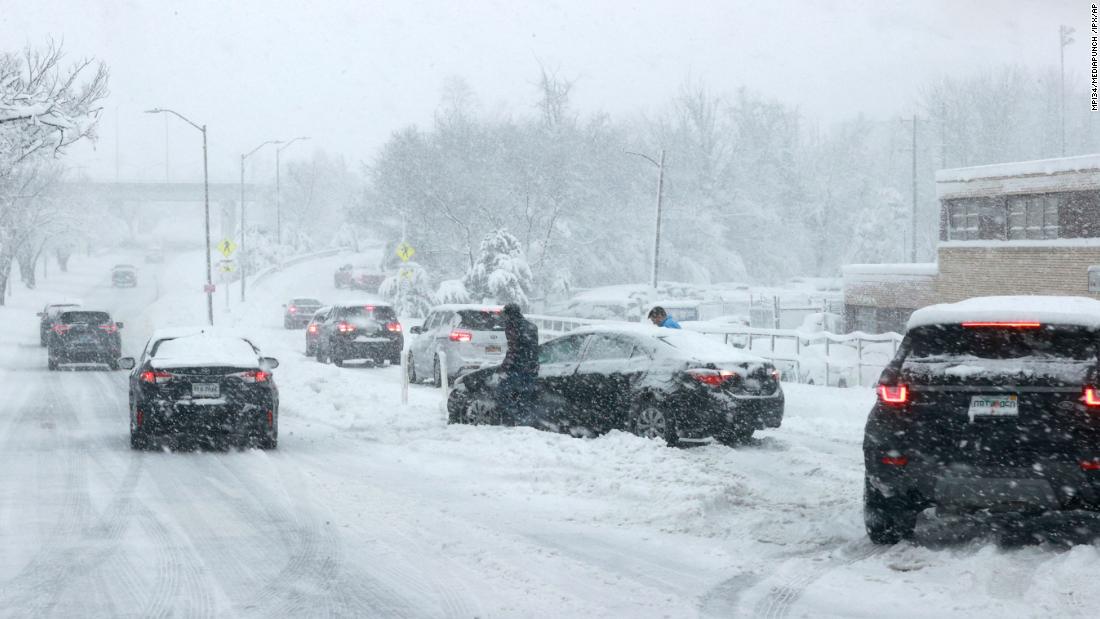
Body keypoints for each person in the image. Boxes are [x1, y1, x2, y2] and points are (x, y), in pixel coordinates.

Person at [498, 303, 540, 424]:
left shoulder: (513, 326)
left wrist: (504, 367)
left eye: (505, 314)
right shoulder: (531, 326)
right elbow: (534, 348)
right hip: (532, 367)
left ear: (509, 314)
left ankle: (515, 418)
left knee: (502, 392)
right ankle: (525, 422)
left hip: (518, 367)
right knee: (525, 397)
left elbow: (513, 350)